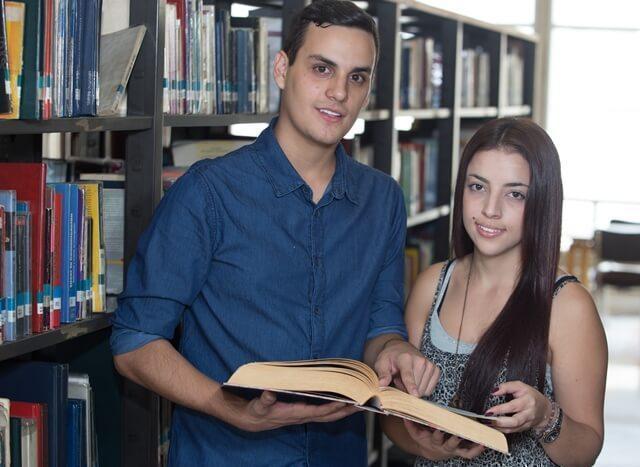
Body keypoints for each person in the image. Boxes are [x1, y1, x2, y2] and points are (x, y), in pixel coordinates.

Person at [110, 1, 439, 465]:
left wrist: (396, 351)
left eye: (357, 77)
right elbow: (134, 343)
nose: (339, 92)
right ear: (282, 68)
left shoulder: (383, 200)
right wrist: (224, 404)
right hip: (226, 454)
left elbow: (380, 323)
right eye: (322, 68)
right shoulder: (207, 193)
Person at [382, 118, 607, 466]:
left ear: (542, 203)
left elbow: (585, 451)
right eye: (477, 187)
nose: (490, 209)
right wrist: (427, 445)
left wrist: (545, 416)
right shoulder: (432, 285)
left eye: (515, 194)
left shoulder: (567, 305)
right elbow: (392, 418)